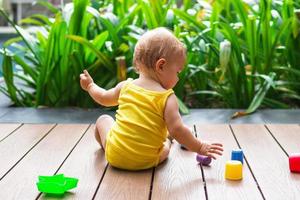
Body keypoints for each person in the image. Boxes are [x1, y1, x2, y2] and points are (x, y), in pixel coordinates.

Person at [80, 27, 223, 170]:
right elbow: (177, 130)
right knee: (165, 147)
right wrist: (200, 146)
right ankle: (166, 141)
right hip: (147, 160)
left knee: (103, 120)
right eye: (177, 72)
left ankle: (106, 147)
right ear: (161, 66)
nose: (178, 78)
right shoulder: (167, 98)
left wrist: (90, 85)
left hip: (114, 156)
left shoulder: (125, 86)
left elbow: (103, 97)